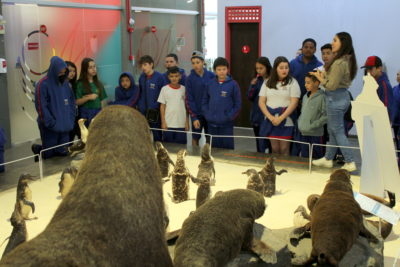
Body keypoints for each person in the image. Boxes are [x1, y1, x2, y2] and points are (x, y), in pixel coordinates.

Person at [310, 32, 358, 172]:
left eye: (335, 40)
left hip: (335, 98)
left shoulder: (339, 62)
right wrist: (324, 76)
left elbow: (331, 86)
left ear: (343, 43)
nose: (332, 43)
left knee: (337, 131)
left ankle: (349, 161)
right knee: (333, 130)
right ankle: (328, 158)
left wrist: (319, 78)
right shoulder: (347, 60)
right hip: (340, 97)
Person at [32, 56, 76, 159]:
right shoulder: (42, 84)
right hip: (50, 127)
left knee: (62, 152)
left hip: (65, 126)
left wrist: (71, 120)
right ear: (53, 70)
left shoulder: (65, 84)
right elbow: (41, 106)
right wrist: (50, 123)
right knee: (49, 154)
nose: (62, 74)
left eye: (64, 72)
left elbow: (71, 103)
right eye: (60, 72)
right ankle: (38, 150)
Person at [258, 56, 300, 156]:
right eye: (281, 67)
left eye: (286, 67)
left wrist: (281, 118)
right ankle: (274, 169)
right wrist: (271, 117)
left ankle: (285, 168)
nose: (284, 70)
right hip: (270, 120)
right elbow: (261, 102)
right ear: (275, 68)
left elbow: (294, 102)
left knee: (284, 148)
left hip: (286, 120)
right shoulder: (267, 82)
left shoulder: (293, 82)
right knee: (275, 148)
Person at [201, 57, 241, 149]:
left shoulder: (233, 84)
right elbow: (204, 102)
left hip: (226, 124)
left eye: (224, 69)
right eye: (219, 69)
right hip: (211, 124)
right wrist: (208, 115)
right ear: (215, 70)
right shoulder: (209, 84)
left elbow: (237, 104)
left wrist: (229, 116)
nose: (222, 72)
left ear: (227, 69)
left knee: (227, 149)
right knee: (213, 149)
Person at [185, 50, 215, 146]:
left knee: (209, 138)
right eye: (193, 63)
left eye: (198, 62)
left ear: (203, 62)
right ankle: (194, 157)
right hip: (197, 114)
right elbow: (189, 99)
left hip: (209, 114)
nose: (195, 65)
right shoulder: (189, 79)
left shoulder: (212, 76)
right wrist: (194, 117)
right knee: (195, 137)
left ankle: (209, 157)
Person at [137, 55, 167, 142]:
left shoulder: (159, 77)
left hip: (155, 111)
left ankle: (159, 152)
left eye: (145, 64)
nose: (143, 67)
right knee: (144, 134)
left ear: (151, 64)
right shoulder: (142, 77)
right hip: (143, 111)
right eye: (142, 65)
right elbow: (140, 92)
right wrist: (140, 105)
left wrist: (156, 106)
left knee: (157, 134)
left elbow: (163, 95)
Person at [298, 73, 327, 158]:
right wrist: (300, 123)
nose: (305, 85)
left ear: (317, 83)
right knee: (305, 157)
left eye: (308, 82)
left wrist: (313, 125)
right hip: (304, 133)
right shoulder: (305, 97)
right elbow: (302, 113)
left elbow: (326, 116)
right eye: (305, 82)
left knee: (317, 157)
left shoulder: (322, 97)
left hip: (316, 135)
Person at [158, 66, 189, 144]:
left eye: (176, 76)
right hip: (168, 125)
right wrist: (163, 122)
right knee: (168, 147)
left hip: (181, 125)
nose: (174, 78)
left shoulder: (184, 89)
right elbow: (162, 106)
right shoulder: (164, 89)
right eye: (172, 76)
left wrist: (187, 122)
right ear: (168, 77)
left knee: (181, 148)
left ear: (180, 77)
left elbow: (187, 107)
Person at [247, 57, 272, 153]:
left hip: (269, 115)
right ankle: (259, 159)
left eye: (261, 68)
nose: (259, 71)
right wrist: (252, 86)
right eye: (257, 68)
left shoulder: (272, 80)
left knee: (269, 142)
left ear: (267, 67)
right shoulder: (256, 80)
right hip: (257, 115)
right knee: (259, 141)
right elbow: (249, 97)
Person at [361, 56, 395, 123]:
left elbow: (386, 110)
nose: (368, 72)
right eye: (366, 69)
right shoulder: (370, 83)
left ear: (379, 68)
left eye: (370, 69)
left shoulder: (384, 85)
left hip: (379, 125)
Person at [75, 58, 107, 127]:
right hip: (85, 113)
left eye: (94, 66)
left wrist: (103, 113)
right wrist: (88, 98)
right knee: (87, 135)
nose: (94, 69)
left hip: (98, 112)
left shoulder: (99, 84)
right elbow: (76, 102)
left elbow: (103, 101)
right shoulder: (80, 84)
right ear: (85, 69)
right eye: (90, 67)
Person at [65, 61, 80, 142]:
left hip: (75, 116)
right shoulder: (62, 85)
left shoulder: (73, 84)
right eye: (70, 71)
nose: (72, 73)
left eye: (74, 71)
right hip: (67, 117)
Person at [392, 70, 400, 152]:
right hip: (395, 122)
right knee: (397, 144)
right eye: (397, 74)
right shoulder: (394, 89)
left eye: (399, 74)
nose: (398, 76)